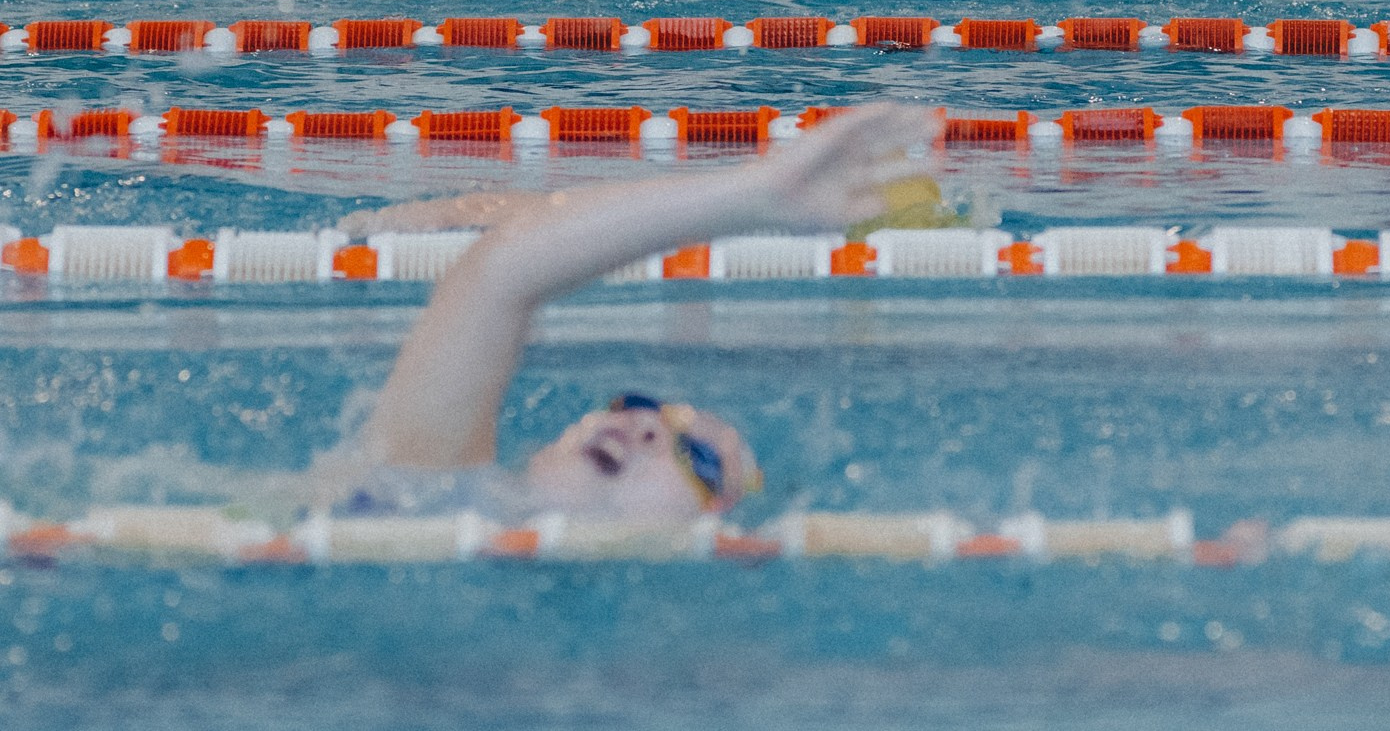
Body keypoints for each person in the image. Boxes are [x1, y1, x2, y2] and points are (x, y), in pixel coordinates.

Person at [333, 105, 942, 522]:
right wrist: (751, 197)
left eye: (698, 460)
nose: (647, 426)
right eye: (641, 405)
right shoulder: (419, 492)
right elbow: (496, 278)